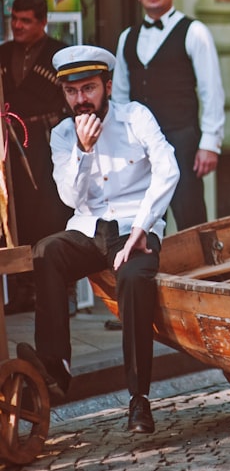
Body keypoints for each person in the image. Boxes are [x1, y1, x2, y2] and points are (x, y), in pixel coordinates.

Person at [16, 45, 179, 434]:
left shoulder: (135, 117)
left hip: (135, 227)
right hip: (89, 228)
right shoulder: (61, 134)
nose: (80, 100)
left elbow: (168, 168)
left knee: (134, 281)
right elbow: (70, 199)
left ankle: (139, 399)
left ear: (107, 86)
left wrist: (143, 227)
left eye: (88, 89)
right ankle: (56, 366)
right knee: (47, 252)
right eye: (71, 92)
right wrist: (83, 151)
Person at [112, 0, 224, 230]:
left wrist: (210, 143)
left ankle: (205, 273)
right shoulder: (127, 37)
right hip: (142, 143)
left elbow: (212, 89)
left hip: (182, 139)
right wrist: (121, 143)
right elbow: (119, 96)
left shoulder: (195, 31)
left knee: (190, 214)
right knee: (145, 216)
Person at [0, 0, 72, 309]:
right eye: (14, 19)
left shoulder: (60, 54)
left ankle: (62, 291)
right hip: (10, 144)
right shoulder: (2, 53)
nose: (17, 25)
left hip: (47, 142)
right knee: (18, 217)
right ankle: (24, 290)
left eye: (26, 20)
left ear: (43, 22)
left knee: (53, 213)